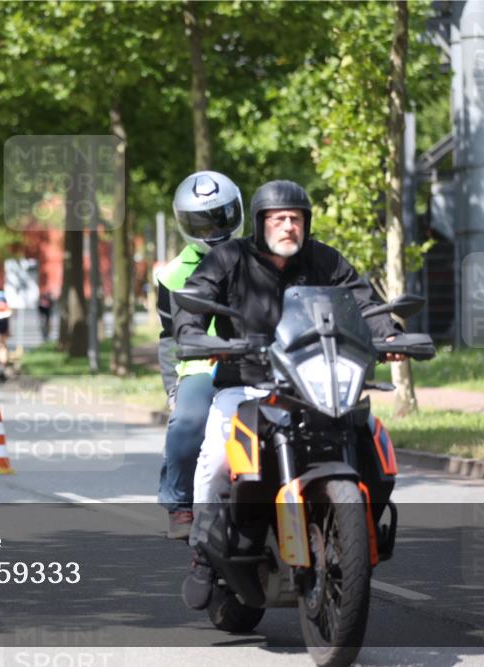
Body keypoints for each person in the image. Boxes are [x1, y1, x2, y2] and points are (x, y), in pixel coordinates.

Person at [173, 180, 407, 609]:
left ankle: (355, 533)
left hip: (314, 381)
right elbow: (196, 298)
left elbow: (363, 301)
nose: (288, 226)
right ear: (260, 223)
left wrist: (388, 333)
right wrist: (190, 331)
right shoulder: (230, 258)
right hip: (247, 383)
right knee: (217, 460)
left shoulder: (324, 260)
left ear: (306, 223)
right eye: (278, 219)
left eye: (295, 218)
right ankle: (204, 554)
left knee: (370, 437)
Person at [156, 171, 245, 539]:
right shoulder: (172, 275)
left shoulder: (259, 257)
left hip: (257, 359)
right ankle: (179, 503)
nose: (213, 229)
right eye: (201, 222)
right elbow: (166, 335)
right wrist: (172, 390)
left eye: (220, 217)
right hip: (200, 365)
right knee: (188, 421)